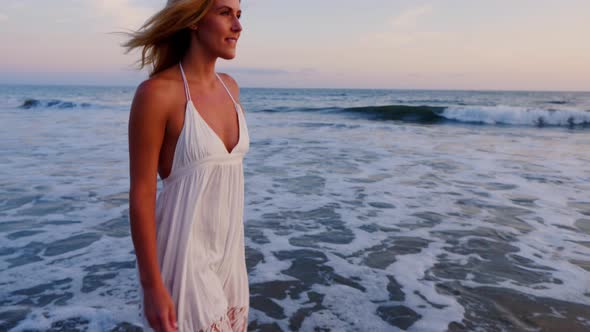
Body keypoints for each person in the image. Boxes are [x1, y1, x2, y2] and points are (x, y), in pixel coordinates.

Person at [124, 0, 249, 331]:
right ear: (193, 20)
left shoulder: (230, 87)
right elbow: (141, 193)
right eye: (225, 13)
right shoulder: (157, 94)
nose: (238, 26)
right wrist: (152, 286)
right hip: (183, 260)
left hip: (230, 258)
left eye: (239, 15)